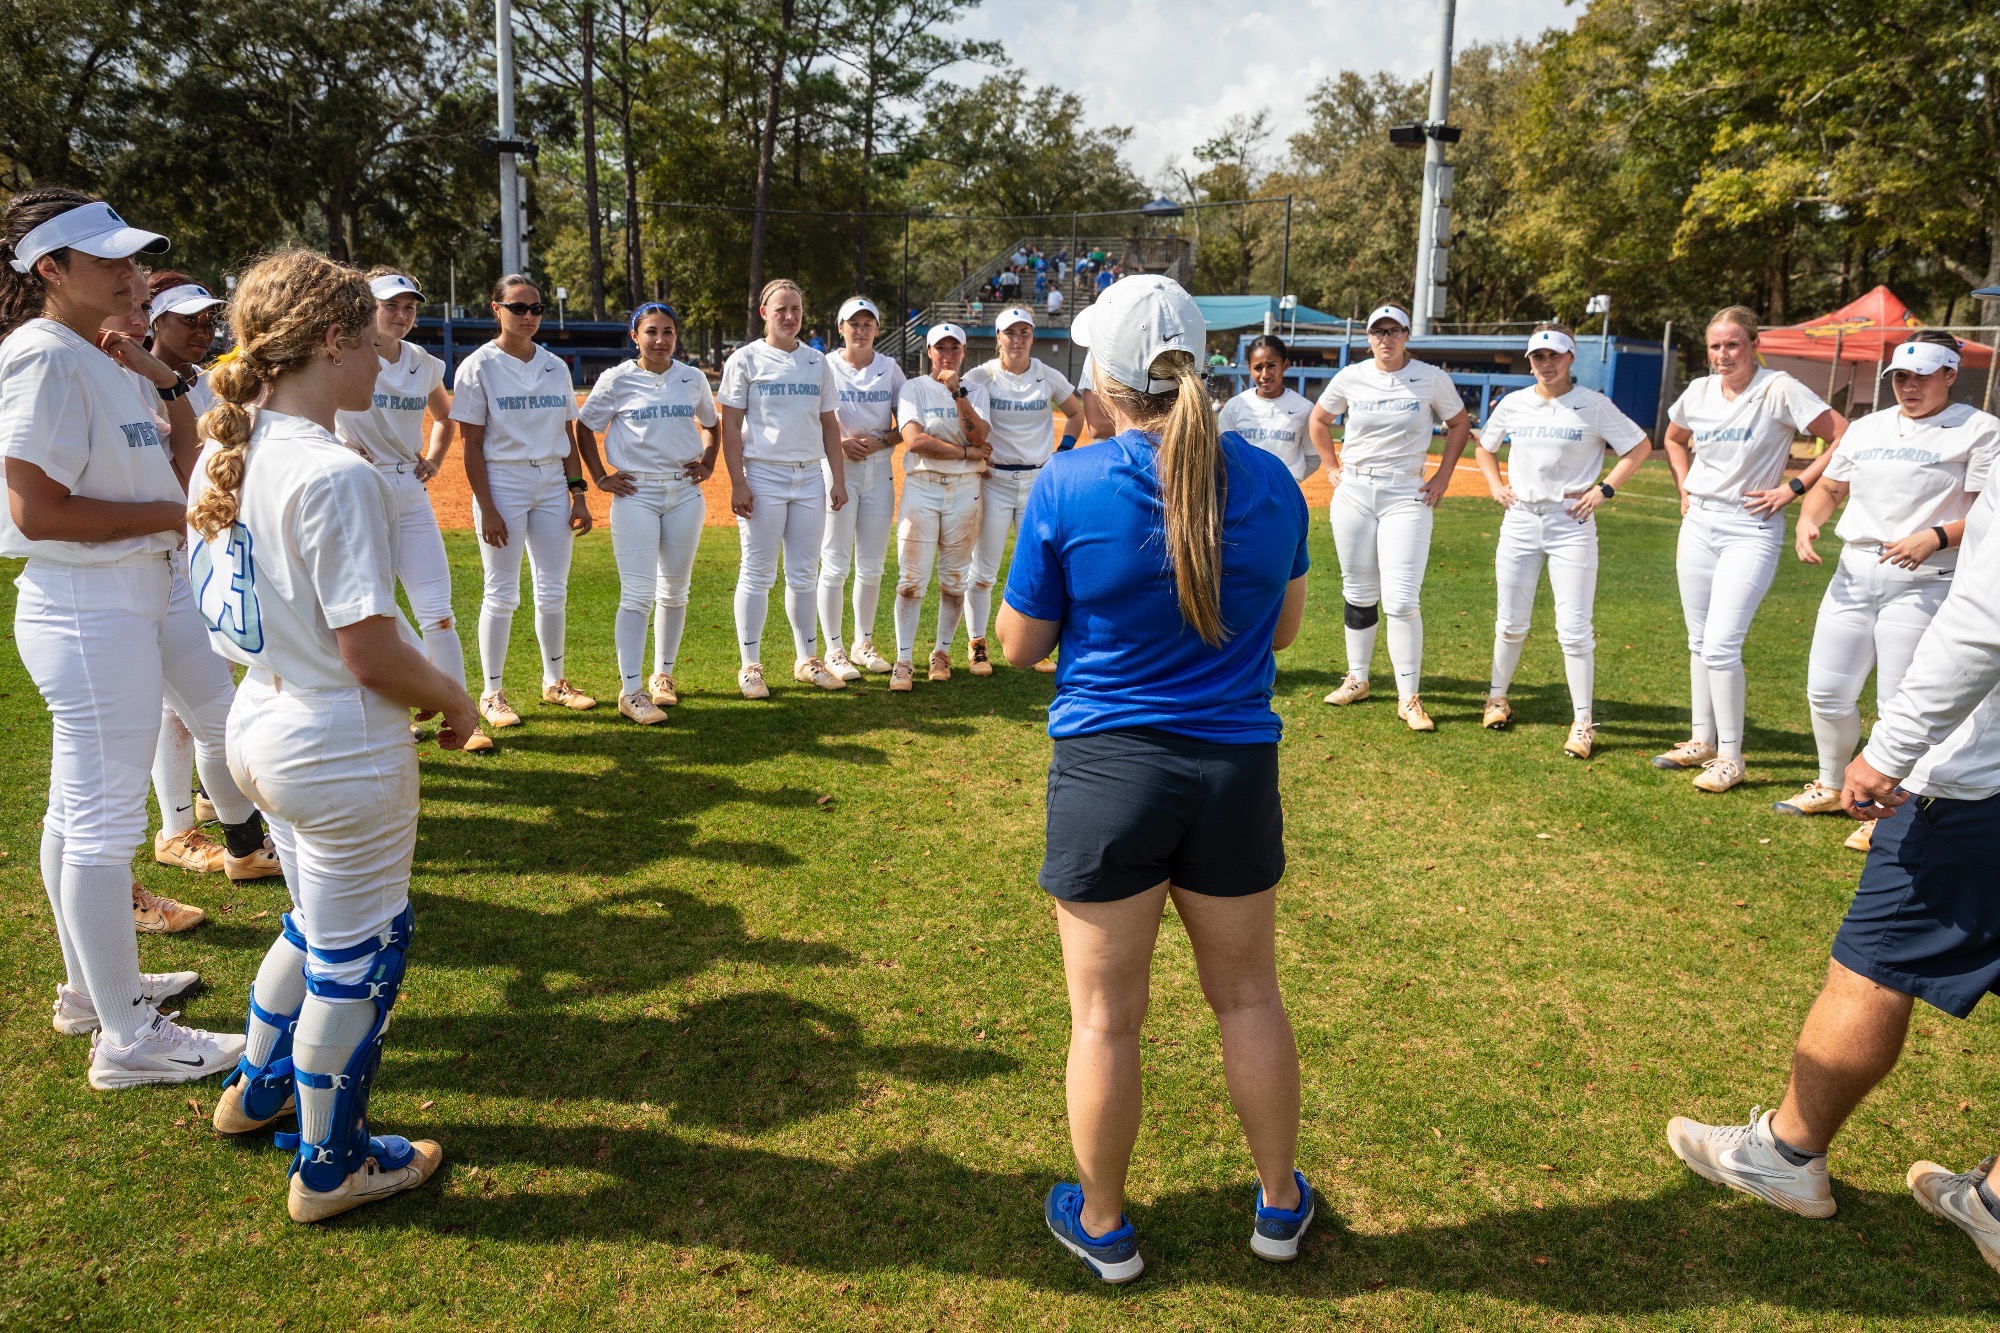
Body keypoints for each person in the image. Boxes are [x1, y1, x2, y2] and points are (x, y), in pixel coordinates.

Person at [996, 274, 1313, 1284]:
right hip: (1230, 771)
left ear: (1104, 376)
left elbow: (1015, 647)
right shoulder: (1269, 481)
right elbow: (1285, 629)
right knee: (1248, 997)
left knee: (1103, 1017)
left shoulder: (1069, 482)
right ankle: (1276, 1203)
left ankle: (1103, 1223)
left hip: (1108, 774)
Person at [190, 249, 475, 1223]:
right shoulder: (331, 472)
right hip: (336, 741)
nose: (387, 363)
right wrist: (455, 698)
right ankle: (331, 1167)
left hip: (260, 716)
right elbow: (369, 653)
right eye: (372, 339)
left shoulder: (228, 449)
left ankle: (256, 1086)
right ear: (332, 339)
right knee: (361, 954)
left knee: (313, 926)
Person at [1663, 460, 2000, 1278]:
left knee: (1873, 962)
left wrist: (1886, 751)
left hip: (1979, 787)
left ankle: (1787, 1150)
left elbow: (1982, 623)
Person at [0, 187, 248, 1085]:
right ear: (49, 272)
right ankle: (126, 1039)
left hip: (125, 595)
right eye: (105, 260)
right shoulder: (41, 355)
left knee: (78, 814)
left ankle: (89, 992)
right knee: (102, 823)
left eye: (131, 259)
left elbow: (185, 461)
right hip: (87, 601)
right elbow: (36, 508)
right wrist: (170, 515)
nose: (129, 272)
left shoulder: (100, 354)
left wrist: (163, 375)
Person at [1777, 332, 1998, 849]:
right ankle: (1832, 783)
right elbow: (1831, 487)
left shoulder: (1978, 429)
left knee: (1898, 699)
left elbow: (1987, 514)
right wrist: (1808, 521)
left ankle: (1886, 809)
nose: (1909, 386)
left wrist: (1936, 536)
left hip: (1925, 579)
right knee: (1826, 692)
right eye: (1900, 376)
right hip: (1855, 572)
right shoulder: (1869, 427)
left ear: (1950, 375)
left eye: (1922, 376)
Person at [1656, 306, 1846, 791]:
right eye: (1716, 346)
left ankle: (1733, 758)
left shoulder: (1779, 387)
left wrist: (1795, 488)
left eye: (1733, 344)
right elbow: (1674, 439)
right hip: (1698, 522)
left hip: (1751, 527)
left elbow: (1844, 436)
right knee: (1699, 641)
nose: (1723, 354)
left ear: (1754, 345)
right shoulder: (1698, 391)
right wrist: (1683, 484)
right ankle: (1703, 740)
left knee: (1721, 646)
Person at [1472, 326, 1653, 757]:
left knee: (1574, 631)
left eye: (1554, 356)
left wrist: (1603, 490)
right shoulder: (1514, 403)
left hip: (1570, 523)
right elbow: (1485, 447)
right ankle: (1497, 699)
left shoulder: (1593, 405)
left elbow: (1639, 446)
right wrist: (1495, 484)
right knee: (1510, 621)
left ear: (1571, 358)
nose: (1545, 364)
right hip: (1520, 520)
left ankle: (1583, 722)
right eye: (1537, 357)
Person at [335, 269, 491, 752]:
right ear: (366, 307)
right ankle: (393, 714)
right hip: (357, 490)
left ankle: (463, 716)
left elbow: (446, 418)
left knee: (438, 612)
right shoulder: (338, 351)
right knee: (371, 612)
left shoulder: (423, 362)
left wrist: (435, 459)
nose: (401, 316)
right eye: (391, 306)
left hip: (408, 488)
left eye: (409, 307)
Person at [1307, 302, 1473, 730]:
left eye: (1394, 331)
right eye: (1378, 332)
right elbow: (1320, 420)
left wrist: (1443, 476)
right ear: (1368, 338)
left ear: (1406, 336)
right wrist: (1330, 467)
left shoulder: (1430, 378)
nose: (1386, 339)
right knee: (1358, 591)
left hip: (1406, 492)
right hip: (1356, 490)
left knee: (1400, 599)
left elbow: (1459, 424)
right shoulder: (1352, 376)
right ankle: (1357, 679)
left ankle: (1408, 697)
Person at [453, 275, 597, 727]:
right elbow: (471, 446)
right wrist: (489, 507)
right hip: (504, 482)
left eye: (535, 308)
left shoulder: (555, 366)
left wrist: (578, 493)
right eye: (519, 308)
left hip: (552, 483)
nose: (530, 316)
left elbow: (568, 436)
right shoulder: (477, 367)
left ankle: (554, 681)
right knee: (501, 593)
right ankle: (492, 693)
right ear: (496, 309)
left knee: (553, 590)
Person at [576, 302, 719, 722]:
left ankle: (664, 676)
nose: (660, 340)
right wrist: (600, 477)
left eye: (668, 332)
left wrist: (709, 462)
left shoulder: (692, 378)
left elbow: (712, 423)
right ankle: (631, 690)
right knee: (638, 594)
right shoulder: (616, 379)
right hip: (636, 491)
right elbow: (584, 427)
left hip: (684, 491)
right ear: (634, 336)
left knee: (676, 590)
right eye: (651, 332)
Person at [717, 278, 849, 697]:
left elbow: (830, 424)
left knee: (804, 573)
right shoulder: (745, 360)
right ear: (764, 314)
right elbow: (731, 426)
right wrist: (738, 482)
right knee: (757, 573)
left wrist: (838, 479)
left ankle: (807, 659)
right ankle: (750, 666)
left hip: (809, 475)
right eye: (781, 310)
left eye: (796, 309)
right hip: (762, 475)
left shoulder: (816, 362)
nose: (790, 316)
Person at [962, 307, 1082, 675]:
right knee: (983, 569)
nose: (1017, 340)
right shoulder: (981, 376)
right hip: (994, 481)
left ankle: (1036, 644)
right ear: (997, 337)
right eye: (1010, 333)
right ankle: (977, 642)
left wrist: (1061, 453)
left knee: (1039, 567)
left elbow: (1076, 414)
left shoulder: (1046, 376)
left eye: (1024, 332)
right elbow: (956, 409)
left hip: (1036, 483)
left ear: (1032, 336)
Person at [891, 322, 989, 691]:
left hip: (965, 489)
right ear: (929, 351)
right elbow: (914, 441)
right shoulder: (913, 388)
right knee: (911, 581)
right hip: (923, 485)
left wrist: (957, 393)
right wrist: (966, 453)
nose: (947, 354)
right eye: (940, 348)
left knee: (953, 579)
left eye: (954, 348)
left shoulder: (974, 390)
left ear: (964, 352)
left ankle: (942, 652)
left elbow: (980, 434)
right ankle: (903, 660)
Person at [816, 296, 904, 680]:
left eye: (869, 324)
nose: (861, 330)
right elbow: (809, 420)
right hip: (838, 469)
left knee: (871, 566)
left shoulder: (890, 369)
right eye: (854, 323)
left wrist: (884, 441)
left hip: (878, 470)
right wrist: (838, 446)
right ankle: (833, 648)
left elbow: (910, 424)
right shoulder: (825, 366)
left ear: (877, 330)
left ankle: (862, 643)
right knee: (834, 563)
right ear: (840, 328)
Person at [1217, 334, 1316, 485]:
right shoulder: (1234, 407)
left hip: (1286, 498)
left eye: (1271, 365)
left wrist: (1289, 483)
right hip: (1245, 496)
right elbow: (1222, 454)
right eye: (1257, 368)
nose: (1265, 374)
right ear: (1249, 368)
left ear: (1285, 365)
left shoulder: (1304, 408)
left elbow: (1313, 457)